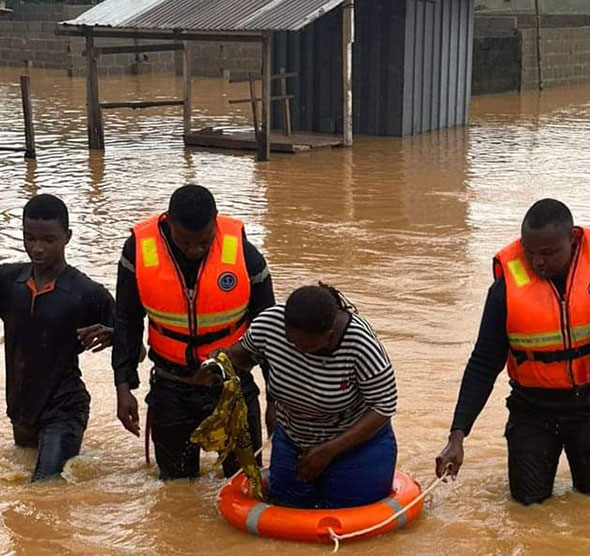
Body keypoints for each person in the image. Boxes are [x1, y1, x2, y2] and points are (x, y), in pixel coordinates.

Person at [435, 198, 590, 505]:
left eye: (547, 253)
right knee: (527, 512)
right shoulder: (505, 290)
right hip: (532, 413)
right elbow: (484, 363)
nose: (537, 261)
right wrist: (457, 436)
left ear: (572, 239)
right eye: (529, 252)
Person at [112, 184, 274, 479]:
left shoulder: (245, 255)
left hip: (232, 388)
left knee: (245, 481)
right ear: (168, 222)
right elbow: (126, 320)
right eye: (185, 242)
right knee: (175, 490)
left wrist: (275, 399)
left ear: (215, 221)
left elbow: (269, 331)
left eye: (203, 242)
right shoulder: (138, 251)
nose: (195, 250)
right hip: (170, 387)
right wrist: (123, 387)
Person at [222, 283, 398, 509]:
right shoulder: (269, 325)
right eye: (292, 341)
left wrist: (329, 450)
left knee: (347, 517)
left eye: (309, 346)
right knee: (284, 510)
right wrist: (221, 362)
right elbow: (243, 356)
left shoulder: (361, 344)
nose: (298, 349)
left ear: (330, 333)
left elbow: (384, 406)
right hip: (293, 438)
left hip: (357, 446)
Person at [0, 195, 115, 481]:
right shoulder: (7, 281)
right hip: (22, 408)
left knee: (44, 488)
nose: (37, 248)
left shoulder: (86, 293)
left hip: (65, 407)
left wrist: (113, 336)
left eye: (49, 240)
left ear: (67, 237)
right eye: (30, 239)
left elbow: (135, 351)